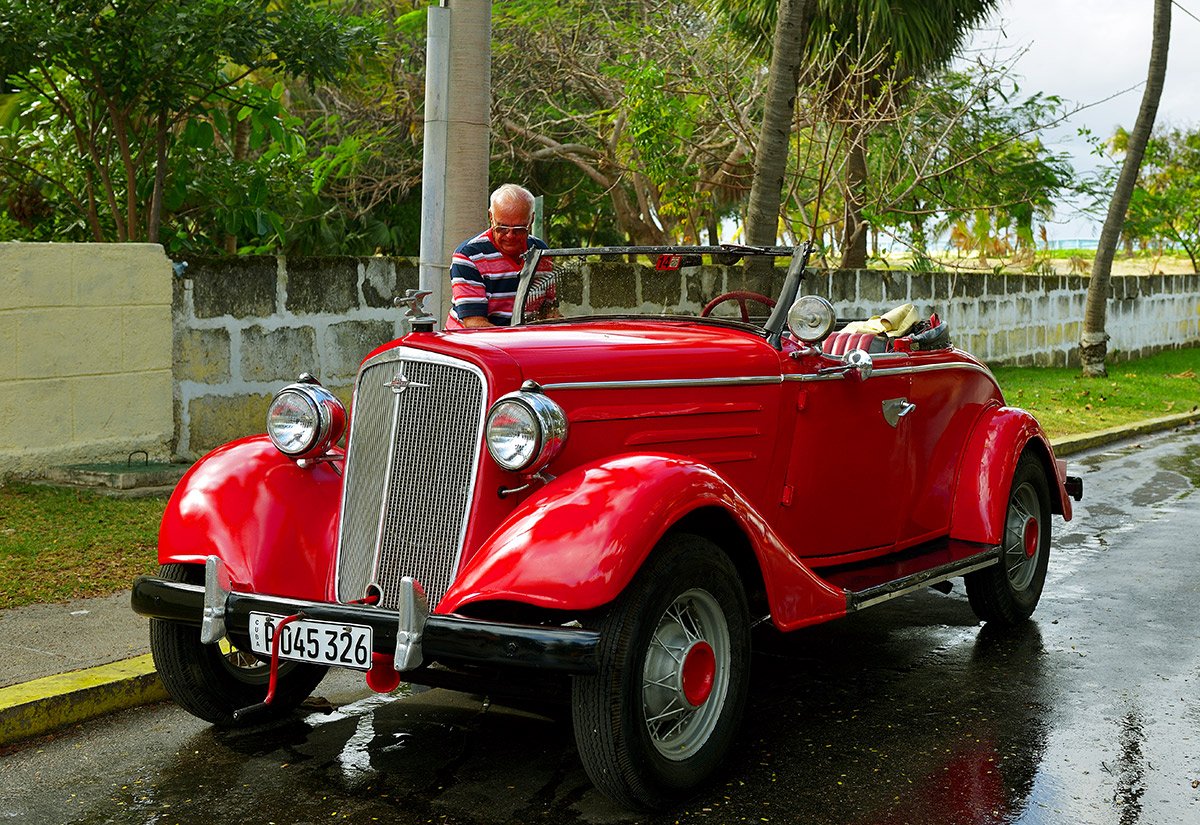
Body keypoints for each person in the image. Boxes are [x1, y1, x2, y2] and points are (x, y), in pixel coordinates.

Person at [445, 183, 552, 329]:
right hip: (473, 342)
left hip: (521, 338)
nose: (510, 235)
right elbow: (474, 324)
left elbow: (547, 310)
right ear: (491, 217)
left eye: (519, 229)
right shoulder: (469, 256)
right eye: (501, 228)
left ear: (531, 220)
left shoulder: (540, 252)